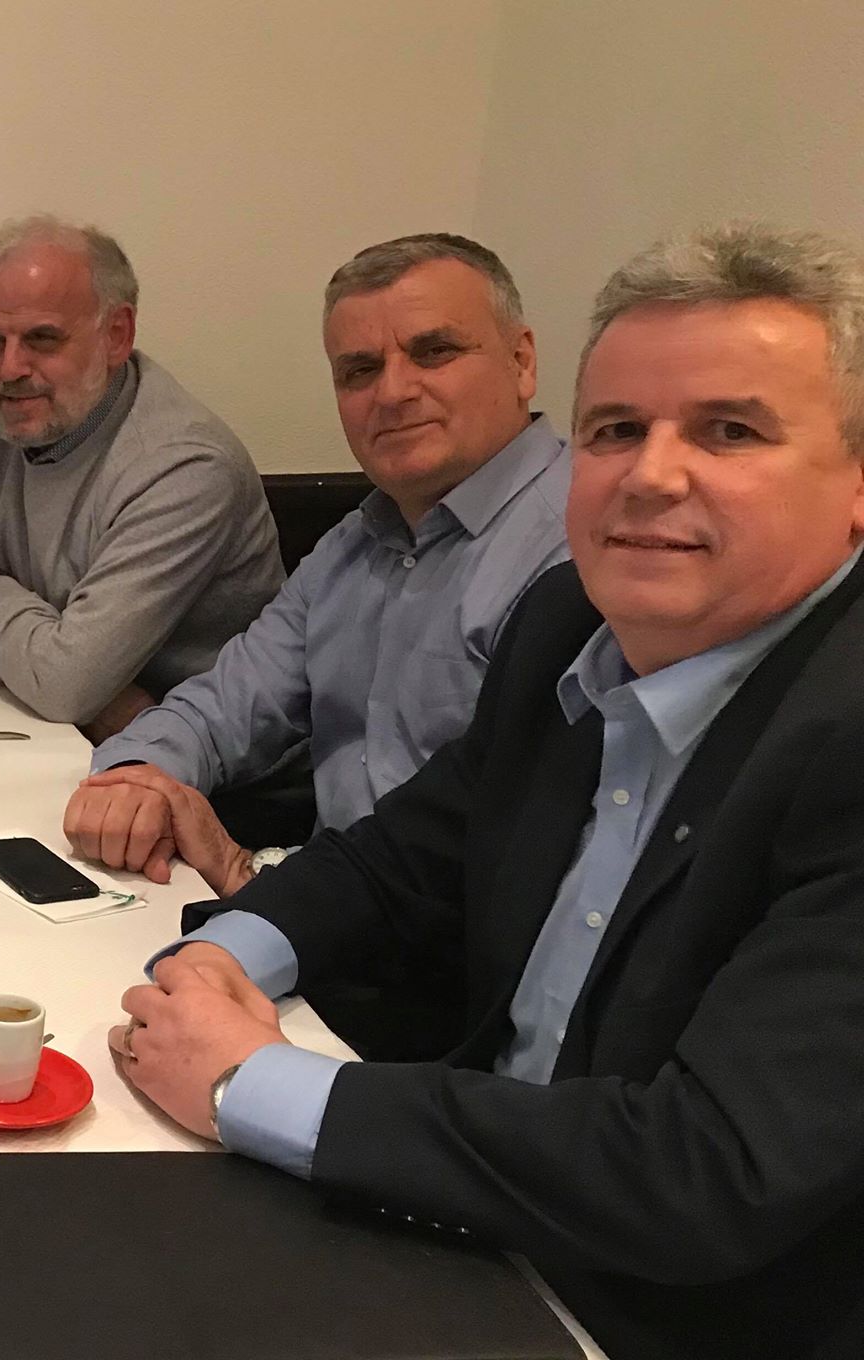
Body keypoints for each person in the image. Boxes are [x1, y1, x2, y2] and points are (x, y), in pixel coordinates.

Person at [112, 223, 864, 1360]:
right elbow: (403, 853)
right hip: (478, 1225)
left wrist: (252, 1085)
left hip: (654, 1315)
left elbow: (703, 1171)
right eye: (617, 428)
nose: (651, 473)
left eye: (729, 430)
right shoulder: (568, 624)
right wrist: (224, 954)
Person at [65, 234, 570, 896]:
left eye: (434, 352)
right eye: (360, 370)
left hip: (443, 944)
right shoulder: (353, 547)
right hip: (324, 912)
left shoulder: (586, 550)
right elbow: (224, 706)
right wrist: (134, 777)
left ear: (522, 361)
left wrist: (251, 874)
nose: (393, 391)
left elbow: (532, 855)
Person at [0, 215, 283, 741]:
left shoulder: (185, 466)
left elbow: (65, 684)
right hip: (81, 734)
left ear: (117, 335)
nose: (9, 369)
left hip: (206, 767)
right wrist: (74, 688)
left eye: (42, 339)